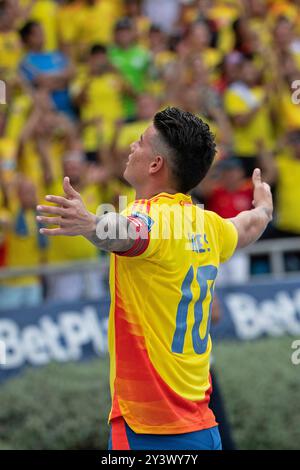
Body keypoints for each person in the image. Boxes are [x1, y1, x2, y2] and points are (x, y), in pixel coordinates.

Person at [37, 107, 273, 450]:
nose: (131, 147)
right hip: (204, 429)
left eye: (140, 141)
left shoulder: (151, 219)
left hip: (150, 429)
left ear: (155, 164)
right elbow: (247, 226)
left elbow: (126, 233)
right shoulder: (207, 224)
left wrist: (91, 225)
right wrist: (264, 209)